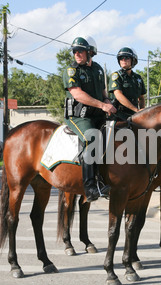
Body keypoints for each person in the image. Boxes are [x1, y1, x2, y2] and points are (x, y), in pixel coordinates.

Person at [63, 36, 117, 202]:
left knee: (122, 130)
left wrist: (107, 102)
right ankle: (90, 187)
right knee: (92, 137)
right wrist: (102, 105)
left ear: (90, 52)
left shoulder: (99, 69)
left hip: (98, 114)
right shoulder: (71, 71)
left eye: (81, 51)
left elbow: (103, 93)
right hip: (78, 116)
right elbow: (77, 94)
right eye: (75, 51)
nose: (77, 54)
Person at [108, 47, 146, 119]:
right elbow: (118, 95)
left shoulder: (138, 78)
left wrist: (142, 112)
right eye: (121, 58)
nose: (123, 60)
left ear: (133, 60)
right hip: (118, 115)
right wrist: (137, 110)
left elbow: (141, 98)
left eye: (126, 57)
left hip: (135, 115)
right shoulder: (116, 76)